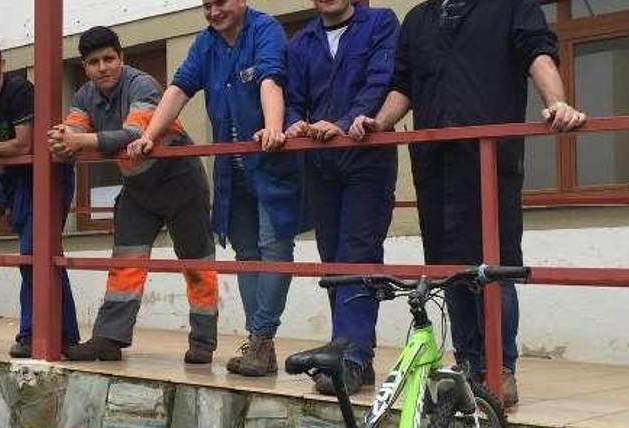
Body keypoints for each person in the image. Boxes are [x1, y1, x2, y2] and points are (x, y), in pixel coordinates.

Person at [350, 0, 587, 405]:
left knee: (495, 268)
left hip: (488, 161)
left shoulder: (511, 8)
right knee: (451, 269)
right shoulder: (419, 20)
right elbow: (403, 84)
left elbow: (538, 53)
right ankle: (467, 364)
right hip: (436, 164)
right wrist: (381, 122)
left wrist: (558, 101)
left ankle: (501, 368)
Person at [127, 0, 306, 377]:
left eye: (220, 3)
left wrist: (273, 126)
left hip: (271, 161)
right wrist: (148, 136)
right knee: (246, 252)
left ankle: (260, 337)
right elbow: (178, 89)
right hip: (232, 166)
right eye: (206, 5)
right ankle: (262, 344)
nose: (213, 12)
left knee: (275, 247)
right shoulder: (204, 44)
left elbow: (270, 79)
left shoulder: (265, 29)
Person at [50, 26, 219, 365]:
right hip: (137, 188)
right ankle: (109, 339)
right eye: (94, 62)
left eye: (109, 59)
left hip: (180, 182)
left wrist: (78, 142)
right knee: (124, 264)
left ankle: (203, 342)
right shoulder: (84, 95)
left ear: (121, 58)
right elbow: (73, 132)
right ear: (84, 67)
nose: (103, 67)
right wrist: (61, 138)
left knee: (196, 264)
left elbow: (133, 135)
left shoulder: (143, 84)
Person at [283, 0, 399, 395]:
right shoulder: (301, 42)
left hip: (366, 154)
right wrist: (293, 121)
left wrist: (345, 122)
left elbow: (381, 81)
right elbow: (293, 96)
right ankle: (354, 354)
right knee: (333, 257)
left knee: (357, 252)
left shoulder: (380, 22)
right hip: (319, 160)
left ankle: (350, 358)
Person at [0, 35, 80, 358]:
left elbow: (23, 145)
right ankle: (66, 335)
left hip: (50, 174)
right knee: (39, 256)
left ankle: (34, 333)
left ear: (1, 63)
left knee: (34, 254)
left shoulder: (19, 90)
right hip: (16, 180)